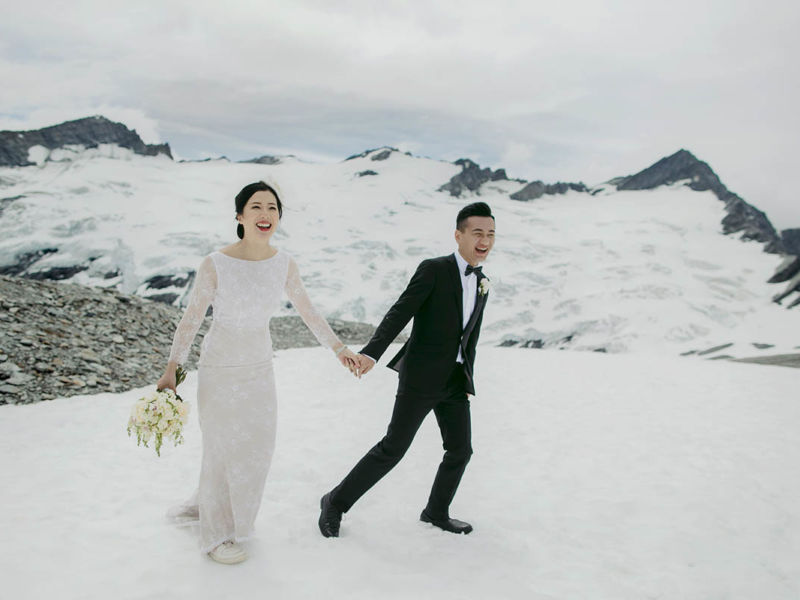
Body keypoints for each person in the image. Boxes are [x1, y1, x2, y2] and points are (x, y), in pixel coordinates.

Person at [157, 181, 359, 564]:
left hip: (259, 367)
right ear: (240, 216)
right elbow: (191, 318)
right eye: (256, 207)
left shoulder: (284, 263)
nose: (265, 214)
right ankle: (217, 536)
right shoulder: (215, 263)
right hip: (219, 366)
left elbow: (309, 313)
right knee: (220, 449)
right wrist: (172, 370)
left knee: (256, 448)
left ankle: (206, 506)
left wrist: (339, 349)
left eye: (272, 208)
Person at [318, 201, 495, 537]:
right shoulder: (434, 269)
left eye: (490, 234)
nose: (484, 240)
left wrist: (467, 373)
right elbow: (401, 312)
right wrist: (372, 353)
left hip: (455, 381)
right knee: (393, 449)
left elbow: (467, 335)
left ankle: (435, 512)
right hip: (421, 377)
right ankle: (335, 502)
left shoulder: (482, 281)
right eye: (477, 233)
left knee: (460, 450)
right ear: (458, 235)